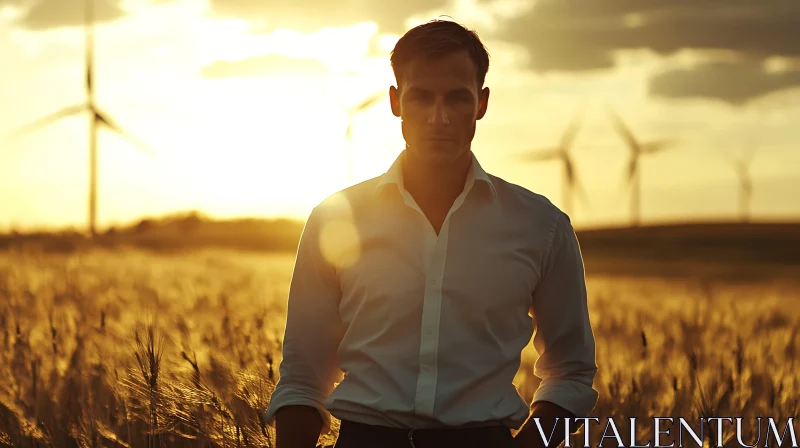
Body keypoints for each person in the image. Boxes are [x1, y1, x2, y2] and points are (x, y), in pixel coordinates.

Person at [264, 19, 599, 448]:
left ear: (481, 103)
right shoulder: (334, 220)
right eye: (421, 97)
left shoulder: (542, 226)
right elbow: (303, 378)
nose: (438, 118)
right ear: (395, 101)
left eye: (456, 98)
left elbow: (571, 371)